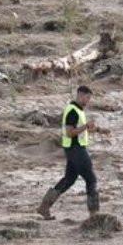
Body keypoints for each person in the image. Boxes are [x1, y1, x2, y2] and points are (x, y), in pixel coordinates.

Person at [37, 85, 100, 220]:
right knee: (91, 179)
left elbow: (79, 130)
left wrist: (98, 130)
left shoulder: (77, 110)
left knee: (69, 179)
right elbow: (69, 132)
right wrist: (86, 126)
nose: (88, 101)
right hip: (76, 149)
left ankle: (44, 206)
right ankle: (94, 215)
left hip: (73, 149)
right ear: (80, 95)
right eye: (87, 98)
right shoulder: (72, 110)